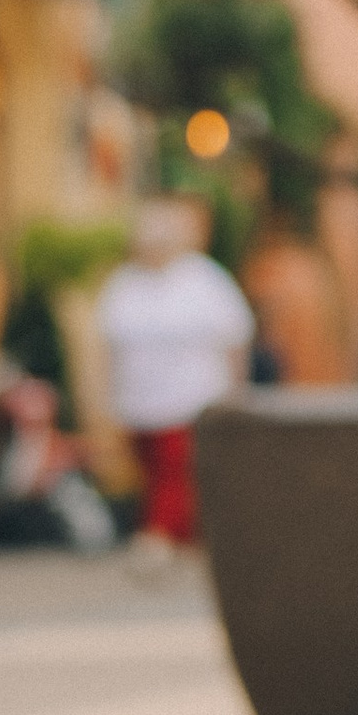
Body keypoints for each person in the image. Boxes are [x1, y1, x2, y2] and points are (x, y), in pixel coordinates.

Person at [93, 197, 255, 552]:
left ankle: (157, 536)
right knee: (154, 472)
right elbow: (108, 346)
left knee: (175, 472)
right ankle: (181, 538)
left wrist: (236, 390)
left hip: (191, 399)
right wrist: (106, 398)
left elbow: (235, 337)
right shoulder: (124, 284)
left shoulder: (205, 280)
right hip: (140, 403)